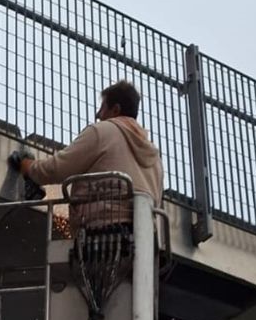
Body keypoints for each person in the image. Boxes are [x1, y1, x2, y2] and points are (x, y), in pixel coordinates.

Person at [15, 80, 163, 234]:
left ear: (115, 110)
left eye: (102, 107)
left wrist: (29, 167)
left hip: (102, 230)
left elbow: (57, 169)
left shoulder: (103, 131)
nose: (98, 114)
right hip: (145, 238)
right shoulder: (155, 159)